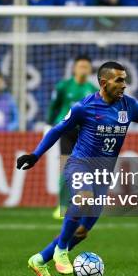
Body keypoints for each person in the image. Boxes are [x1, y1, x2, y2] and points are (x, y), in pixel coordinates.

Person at [17, 61, 138, 276]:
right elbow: (57, 130)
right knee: (83, 200)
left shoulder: (131, 106)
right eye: (119, 80)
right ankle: (61, 250)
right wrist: (35, 155)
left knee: (81, 232)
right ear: (103, 82)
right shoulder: (84, 107)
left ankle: (40, 260)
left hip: (103, 174)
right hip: (79, 164)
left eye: (125, 80)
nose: (124, 85)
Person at [46, 55, 97, 218]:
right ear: (74, 68)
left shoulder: (93, 91)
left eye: (86, 67)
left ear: (90, 70)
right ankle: (62, 206)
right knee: (67, 167)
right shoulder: (63, 86)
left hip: (84, 133)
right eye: (81, 66)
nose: (83, 69)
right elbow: (54, 107)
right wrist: (50, 124)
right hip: (67, 131)